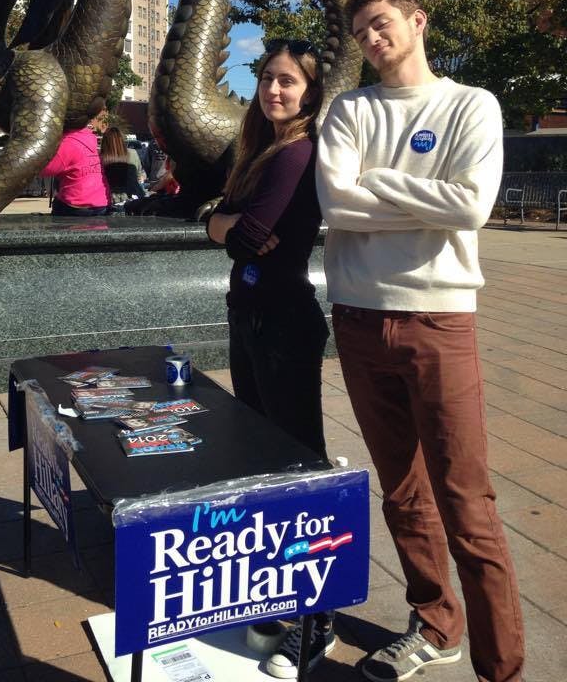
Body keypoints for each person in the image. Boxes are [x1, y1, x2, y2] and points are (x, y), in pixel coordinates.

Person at [316, 0, 523, 682]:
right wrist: (407, 199)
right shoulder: (349, 109)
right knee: (402, 492)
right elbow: (333, 201)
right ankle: (436, 625)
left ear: (416, 20)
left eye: (381, 25)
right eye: (362, 33)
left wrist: (374, 183)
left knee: (467, 502)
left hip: (439, 316)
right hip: (357, 317)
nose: (372, 40)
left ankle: (504, 667)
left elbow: (470, 207)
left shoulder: (470, 104)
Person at [207, 39, 334, 679]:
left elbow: (246, 239)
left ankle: (319, 619)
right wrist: (225, 221)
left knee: (297, 461)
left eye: (287, 81)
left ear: (309, 91)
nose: (274, 90)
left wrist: (226, 224)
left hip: (284, 320)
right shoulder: (260, 151)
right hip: (248, 315)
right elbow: (225, 227)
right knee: (261, 456)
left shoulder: (298, 153)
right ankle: (276, 591)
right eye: (266, 79)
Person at [41, 124, 110, 217]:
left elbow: (46, 169)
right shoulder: (89, 139)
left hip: (76, 205)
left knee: (58, 203)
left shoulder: (68, 143)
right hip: (101, 202)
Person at [99, 127, 145, 205]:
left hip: (108, 199)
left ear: (105, 142)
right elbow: (140, 175)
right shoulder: (133, 154)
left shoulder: (100, 158)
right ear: (121, 140)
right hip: (132, 198)